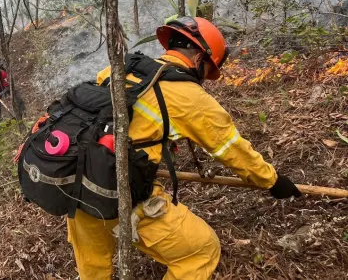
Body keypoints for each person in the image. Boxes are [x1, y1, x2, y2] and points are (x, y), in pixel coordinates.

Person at [66, 17, 301, 280]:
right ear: (200, 58)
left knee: (94, 269)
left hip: (76, 186)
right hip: (121, 194)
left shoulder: (120, 69)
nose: (205, 78)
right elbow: (232, 149)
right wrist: (272, 180)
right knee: (201, 252)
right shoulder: (189, 96)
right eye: (207, 70)